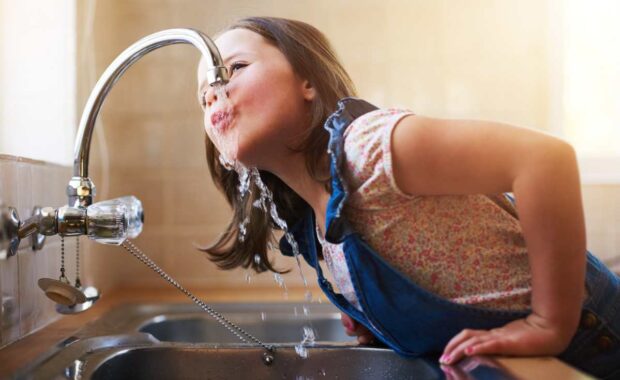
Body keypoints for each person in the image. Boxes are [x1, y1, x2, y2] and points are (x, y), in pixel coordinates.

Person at [196, 16, 620, 379]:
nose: (215, 91)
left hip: (599, 341)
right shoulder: (315, 228)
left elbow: (547, 160)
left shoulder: (366, 148)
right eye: (204, 95)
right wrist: (378, 316)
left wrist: (550, 323)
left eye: (234, 68)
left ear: (307, 81)